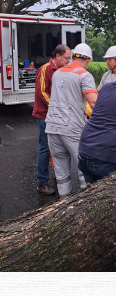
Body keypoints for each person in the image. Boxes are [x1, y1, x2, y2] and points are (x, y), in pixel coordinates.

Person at [43, 44, 99, 198]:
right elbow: (94, 103)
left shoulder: (57, 73)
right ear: (88, 59)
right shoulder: (84, 75)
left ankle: (63, 204)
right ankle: (85, 205)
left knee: (61, 172)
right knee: (84, 169)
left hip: (52, 126)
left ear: (74, 56)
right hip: (72, 127)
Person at [30, 45, 69, 197]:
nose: (68, 61)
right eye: (66, 58)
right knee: (45, 148)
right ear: (57, 56)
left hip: (56, 114)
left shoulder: (62, 71)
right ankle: (42, 182)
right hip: (45, 115)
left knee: (57, 146)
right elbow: (41, 93)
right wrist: (56, 107)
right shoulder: (45, 69)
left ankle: (57, 175)